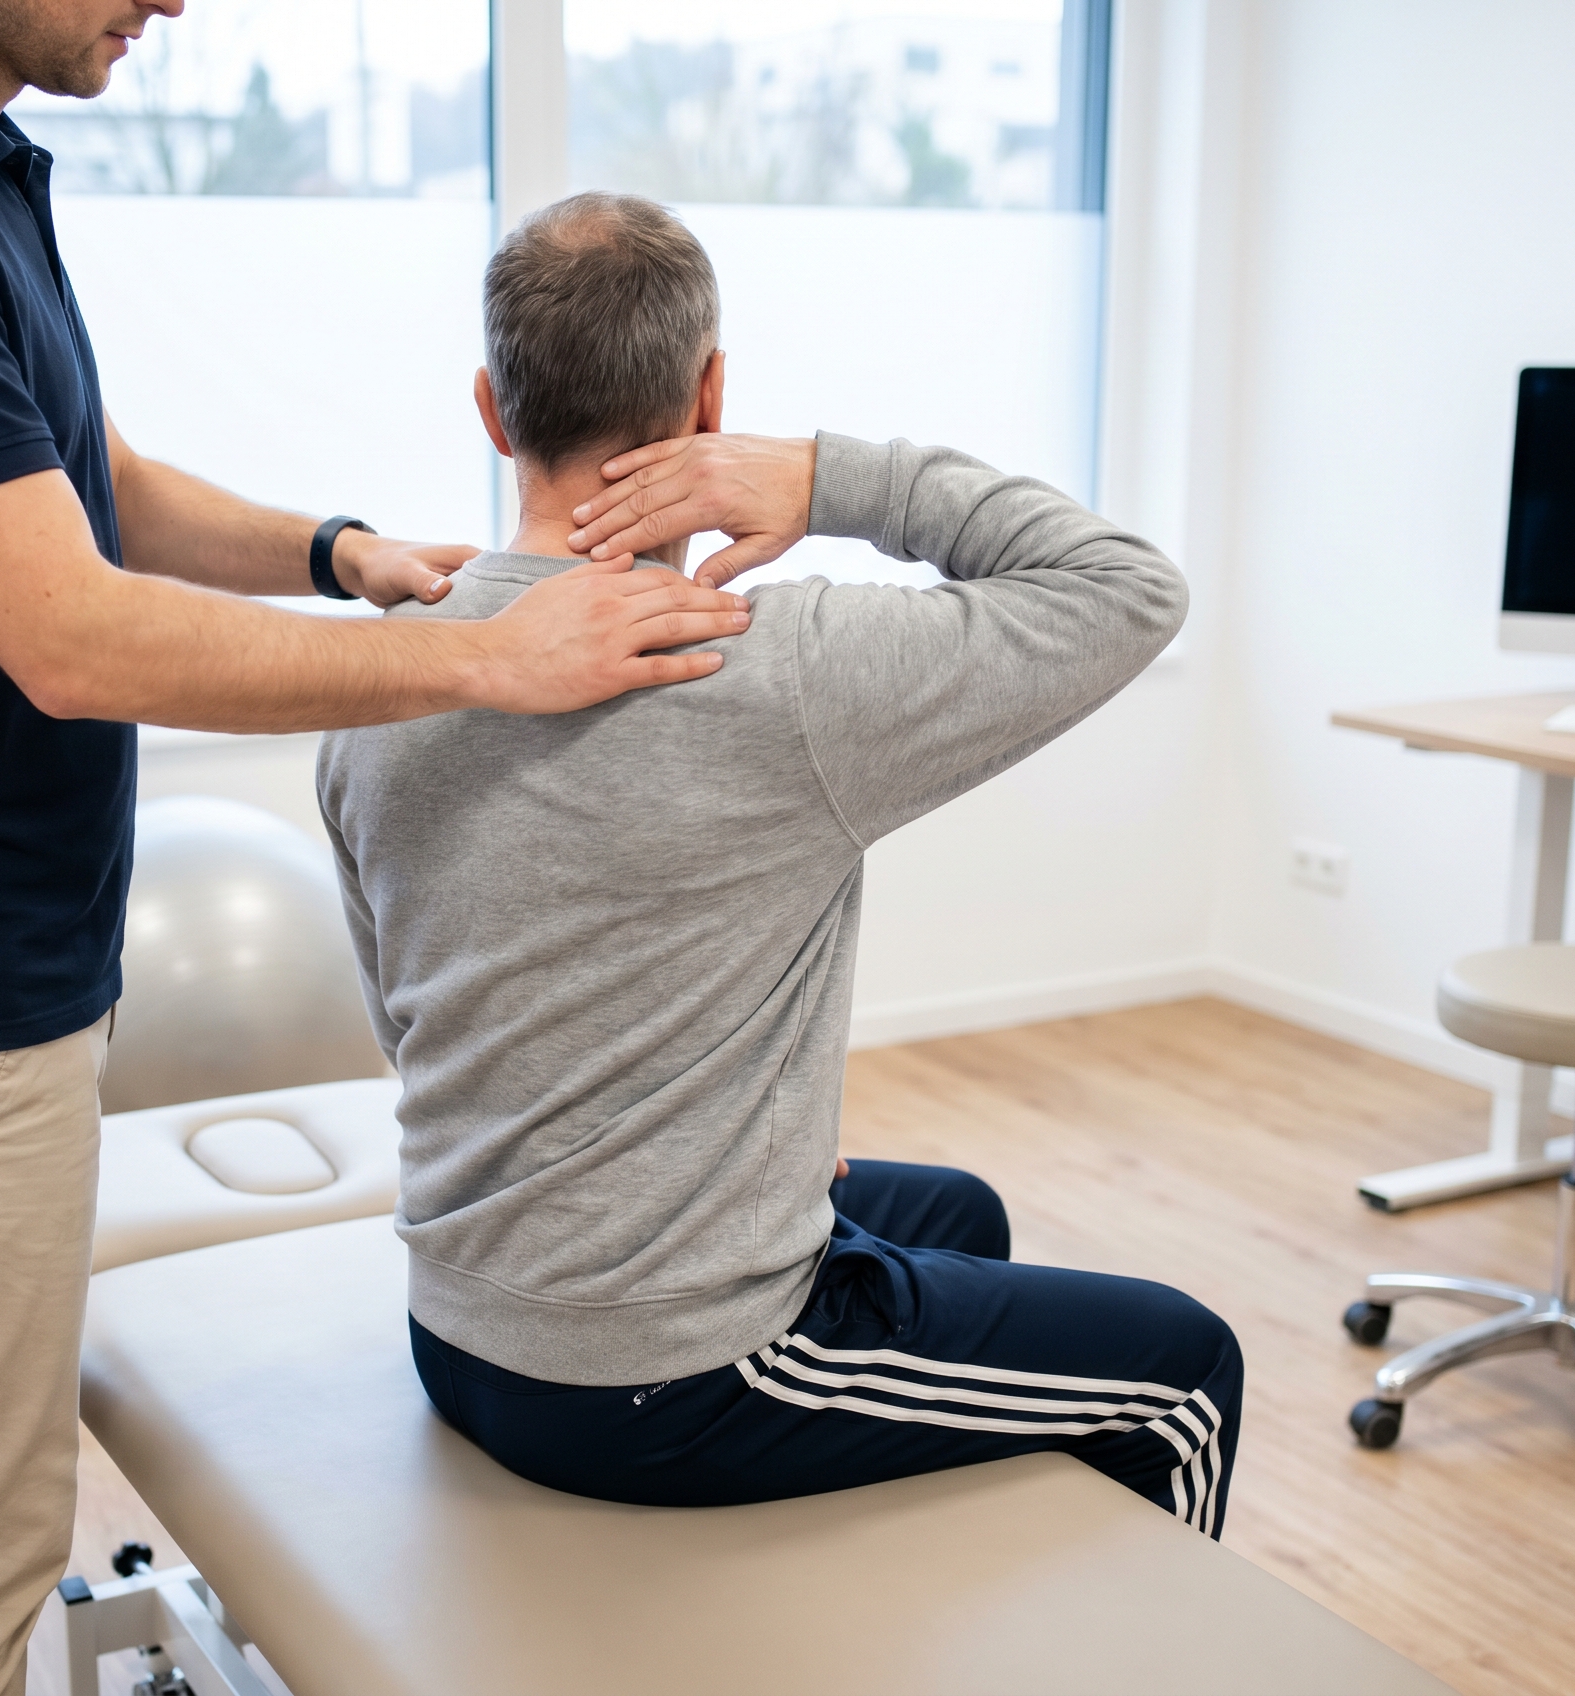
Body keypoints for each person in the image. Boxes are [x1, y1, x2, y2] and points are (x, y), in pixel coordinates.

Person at [0, 6, 750, 1692]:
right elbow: (72, 636)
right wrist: (486, 657)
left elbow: (80, 476)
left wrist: (335, 551)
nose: (173, 1)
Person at [319, 193, 1241, 1536]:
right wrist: (820, 479)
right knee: (1186, 1370)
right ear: (711, 400)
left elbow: (412, 1029)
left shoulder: (382, 680)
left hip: (460, 1331)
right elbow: (1127, 587)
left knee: (956, 1214)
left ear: (492, 410)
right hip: (667, 1378)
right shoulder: (772, 669)